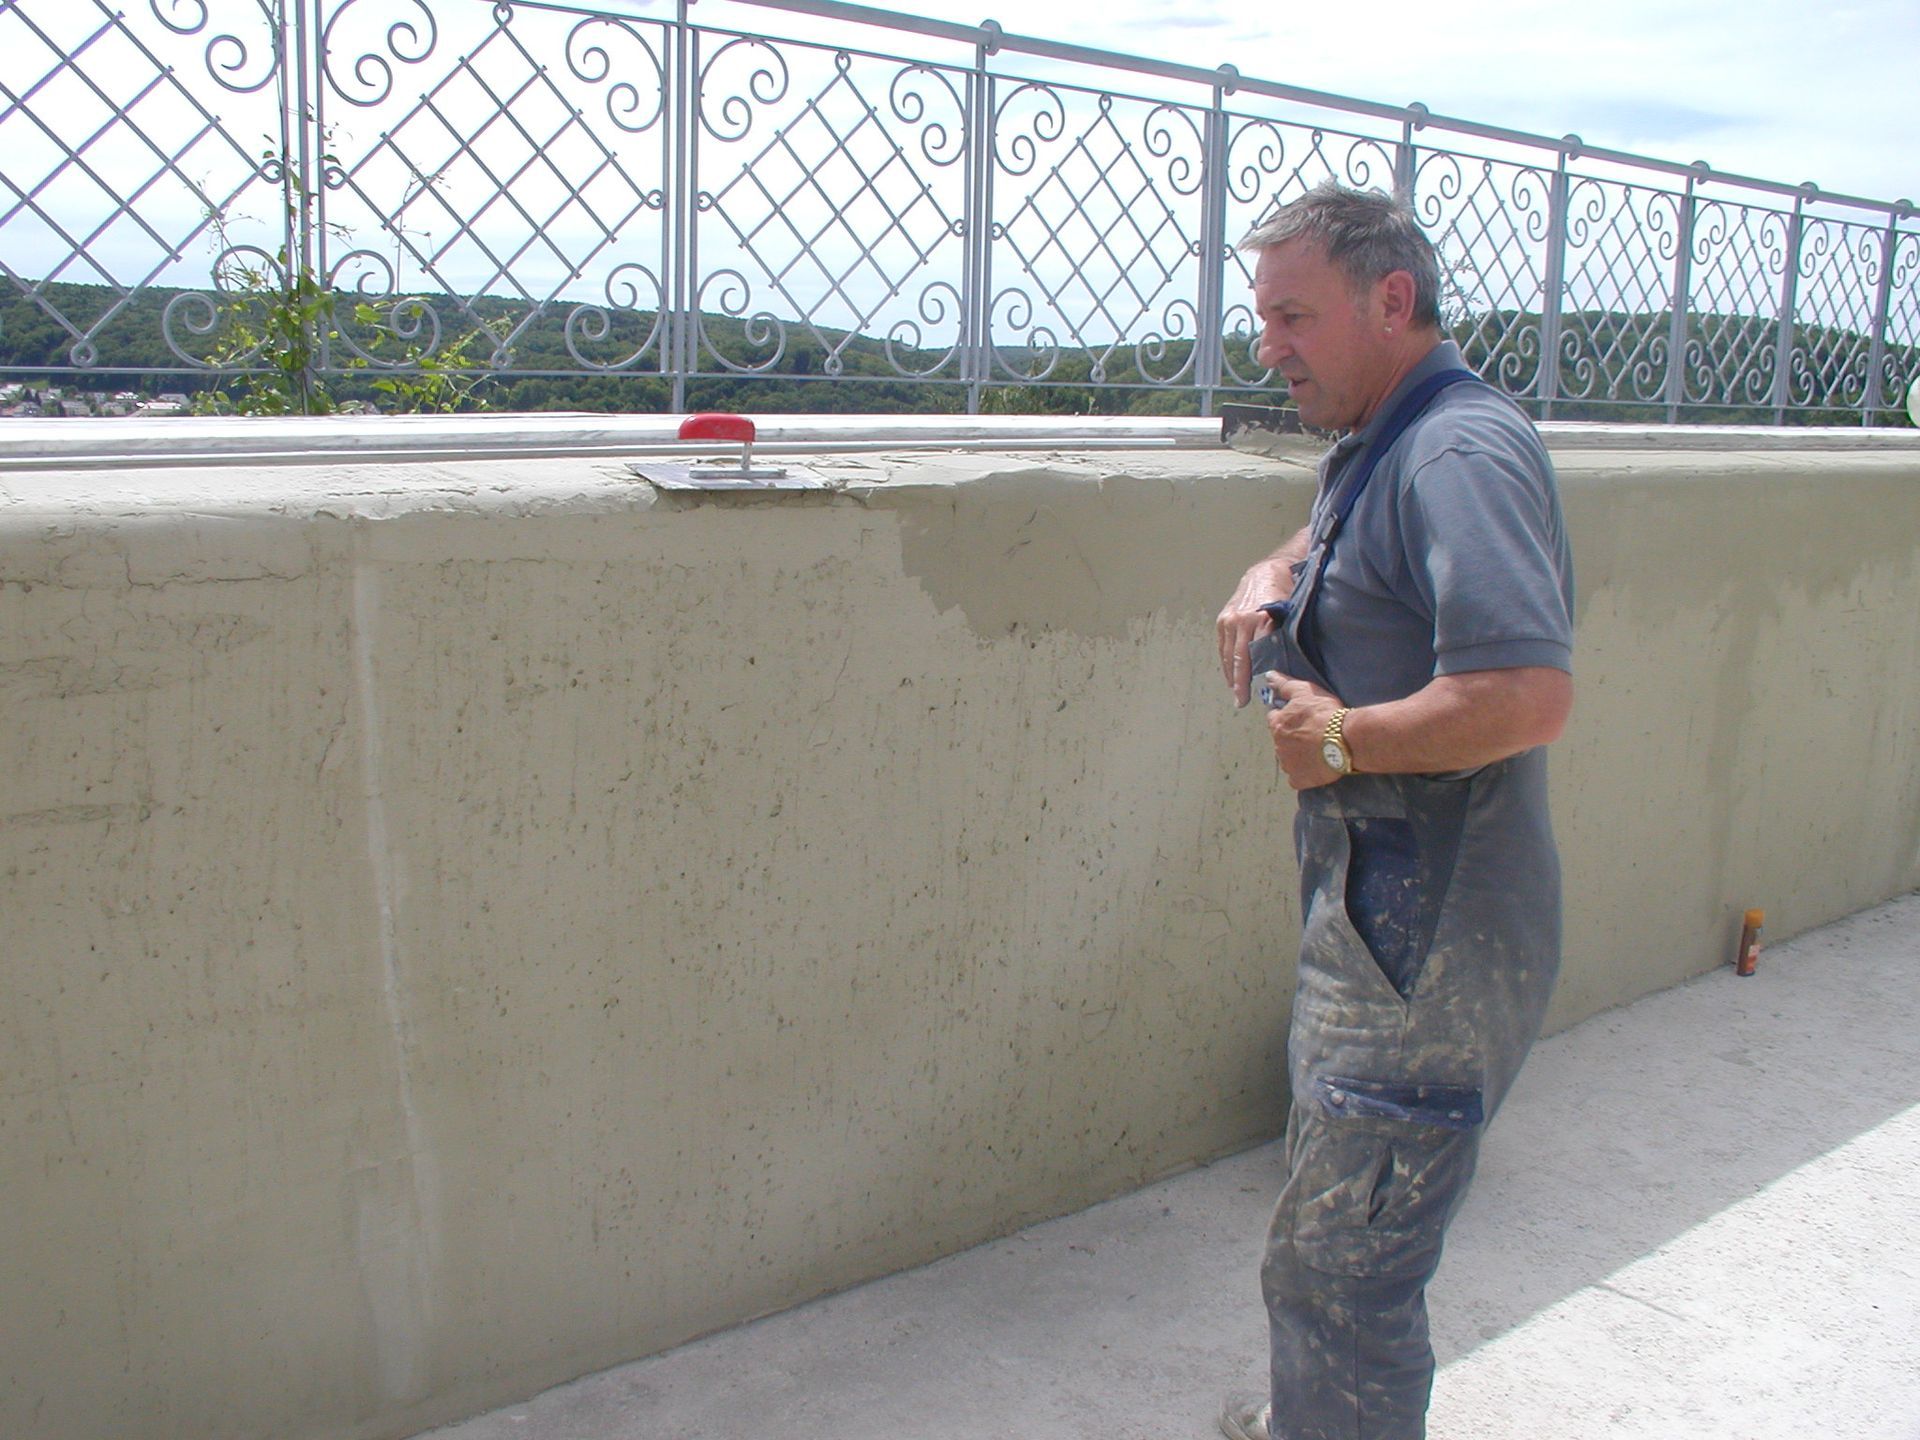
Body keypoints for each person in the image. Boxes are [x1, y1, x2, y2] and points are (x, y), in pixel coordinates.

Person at [1214, 183, 1575, 1440]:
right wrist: (1274, 570)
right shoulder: (1393, 429)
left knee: (1344, 1276)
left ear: (1392, 300)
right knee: (1330, 1246)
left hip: (1427, 951)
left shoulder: (1458, 451)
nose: (1270, 347)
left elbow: (1524, 695)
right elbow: (1339, 531)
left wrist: (1339, 736)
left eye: (1293, 317)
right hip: (1385, 925)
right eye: (1262, 319)